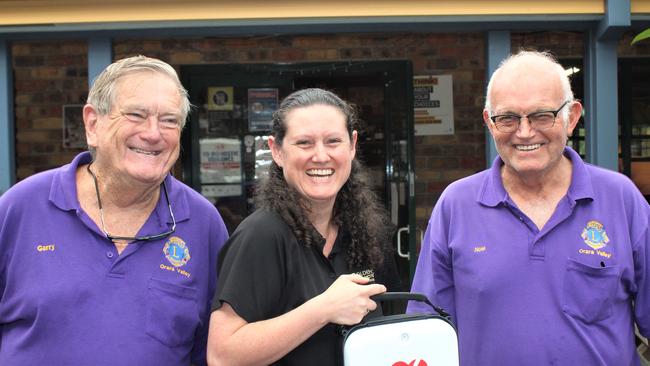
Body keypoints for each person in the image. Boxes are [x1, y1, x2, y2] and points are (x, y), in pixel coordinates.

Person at [408, 50, 650, 365]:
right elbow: (426, 333)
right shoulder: (456, 206)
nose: (524, 132)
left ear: (572, 117)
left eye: (541, 115)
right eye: (508, 117)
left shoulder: (621, 199)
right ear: (489, 123)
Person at [0, 55, 229, 365]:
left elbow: (213, 350)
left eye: (169, 120)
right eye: (136, 115)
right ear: (93, 124)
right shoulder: (20, 208)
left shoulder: (203, 223)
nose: (153, 133)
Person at [207, 88, 400, 366]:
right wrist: (324, 308)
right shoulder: (261, 235)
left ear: (352, 145)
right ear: (276, 151)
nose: (321, 156)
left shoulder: (367, 233)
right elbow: (222, 356)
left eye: (333, 141)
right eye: (304, 143)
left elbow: (393, 328)